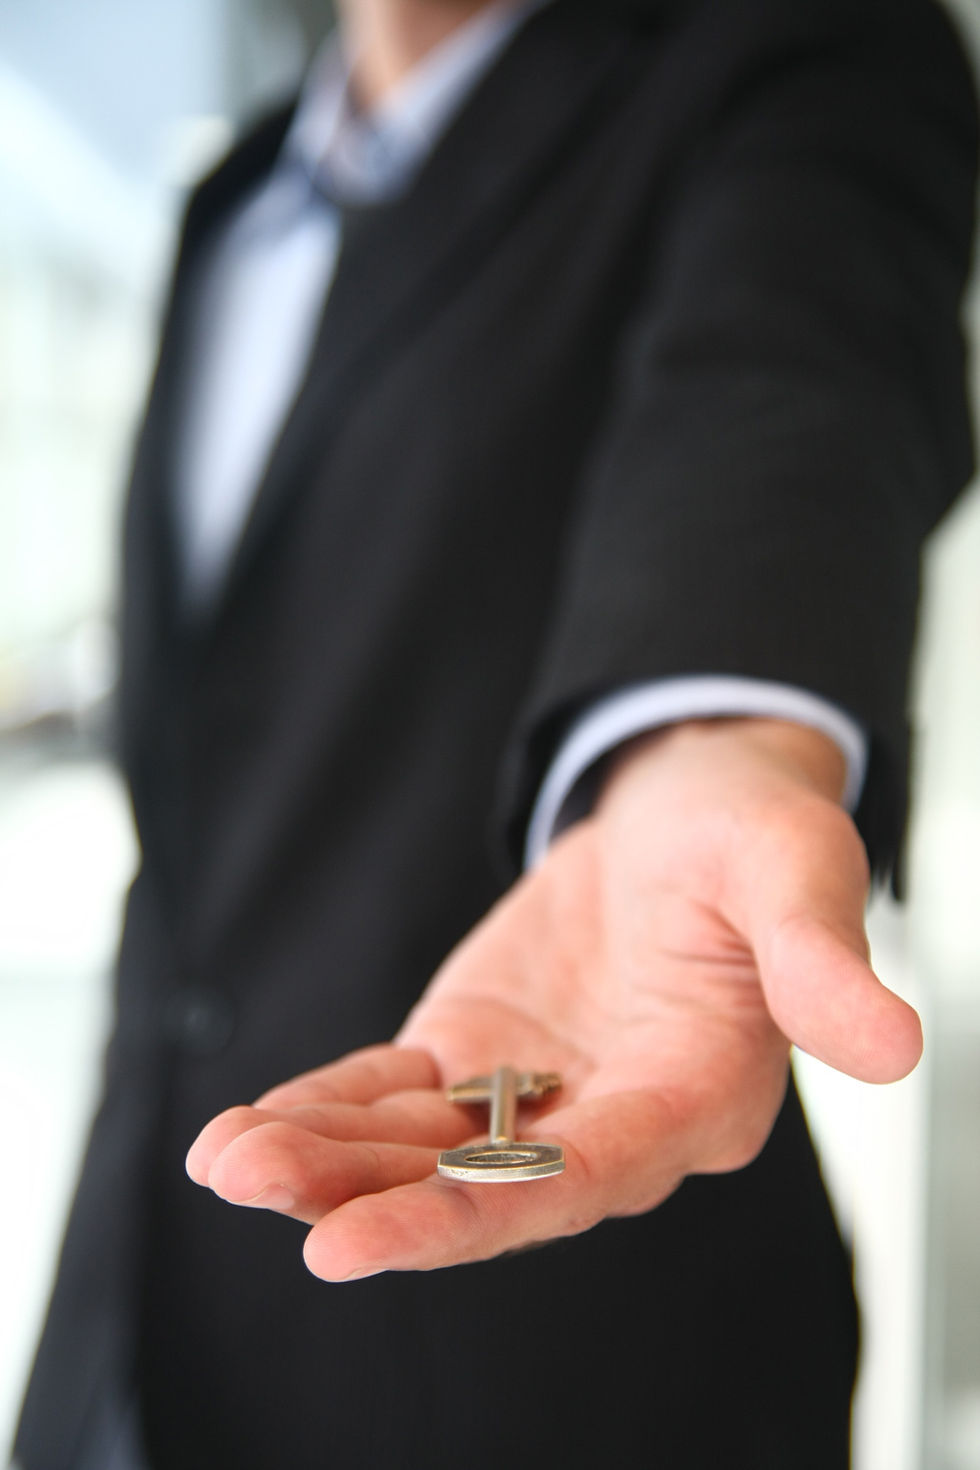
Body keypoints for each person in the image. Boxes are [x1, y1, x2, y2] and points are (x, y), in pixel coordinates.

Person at [15, 0, 978, 1465]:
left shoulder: (800, 53)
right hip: (136, 1312)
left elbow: (784, 386)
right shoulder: (236, 198)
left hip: (556, 1369)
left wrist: (706, 726)